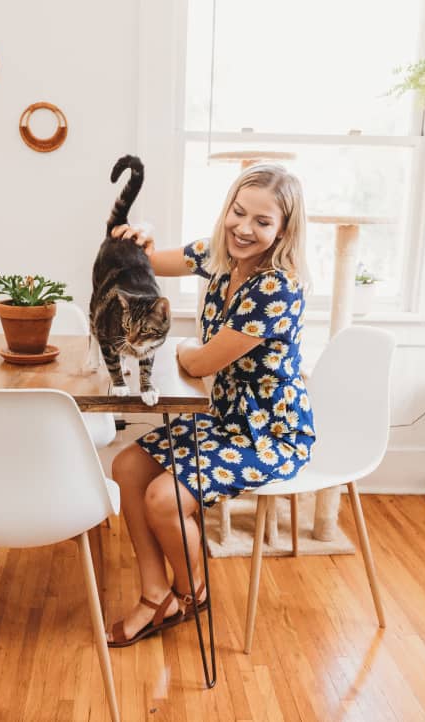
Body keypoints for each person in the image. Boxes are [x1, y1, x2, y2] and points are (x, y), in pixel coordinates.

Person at [106, 163, 316, 647]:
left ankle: (192, 591)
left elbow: (199, 364)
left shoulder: (276, 289)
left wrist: (181, 350)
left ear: (284, 229)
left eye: (262, 222)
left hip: (269, 432)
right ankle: (156, 593)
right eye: (238, 213)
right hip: (222, 419)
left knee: (164, 498)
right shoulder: (219, 256)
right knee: (127, 467)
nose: (244, 228)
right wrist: (143, 235)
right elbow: (153, 261)